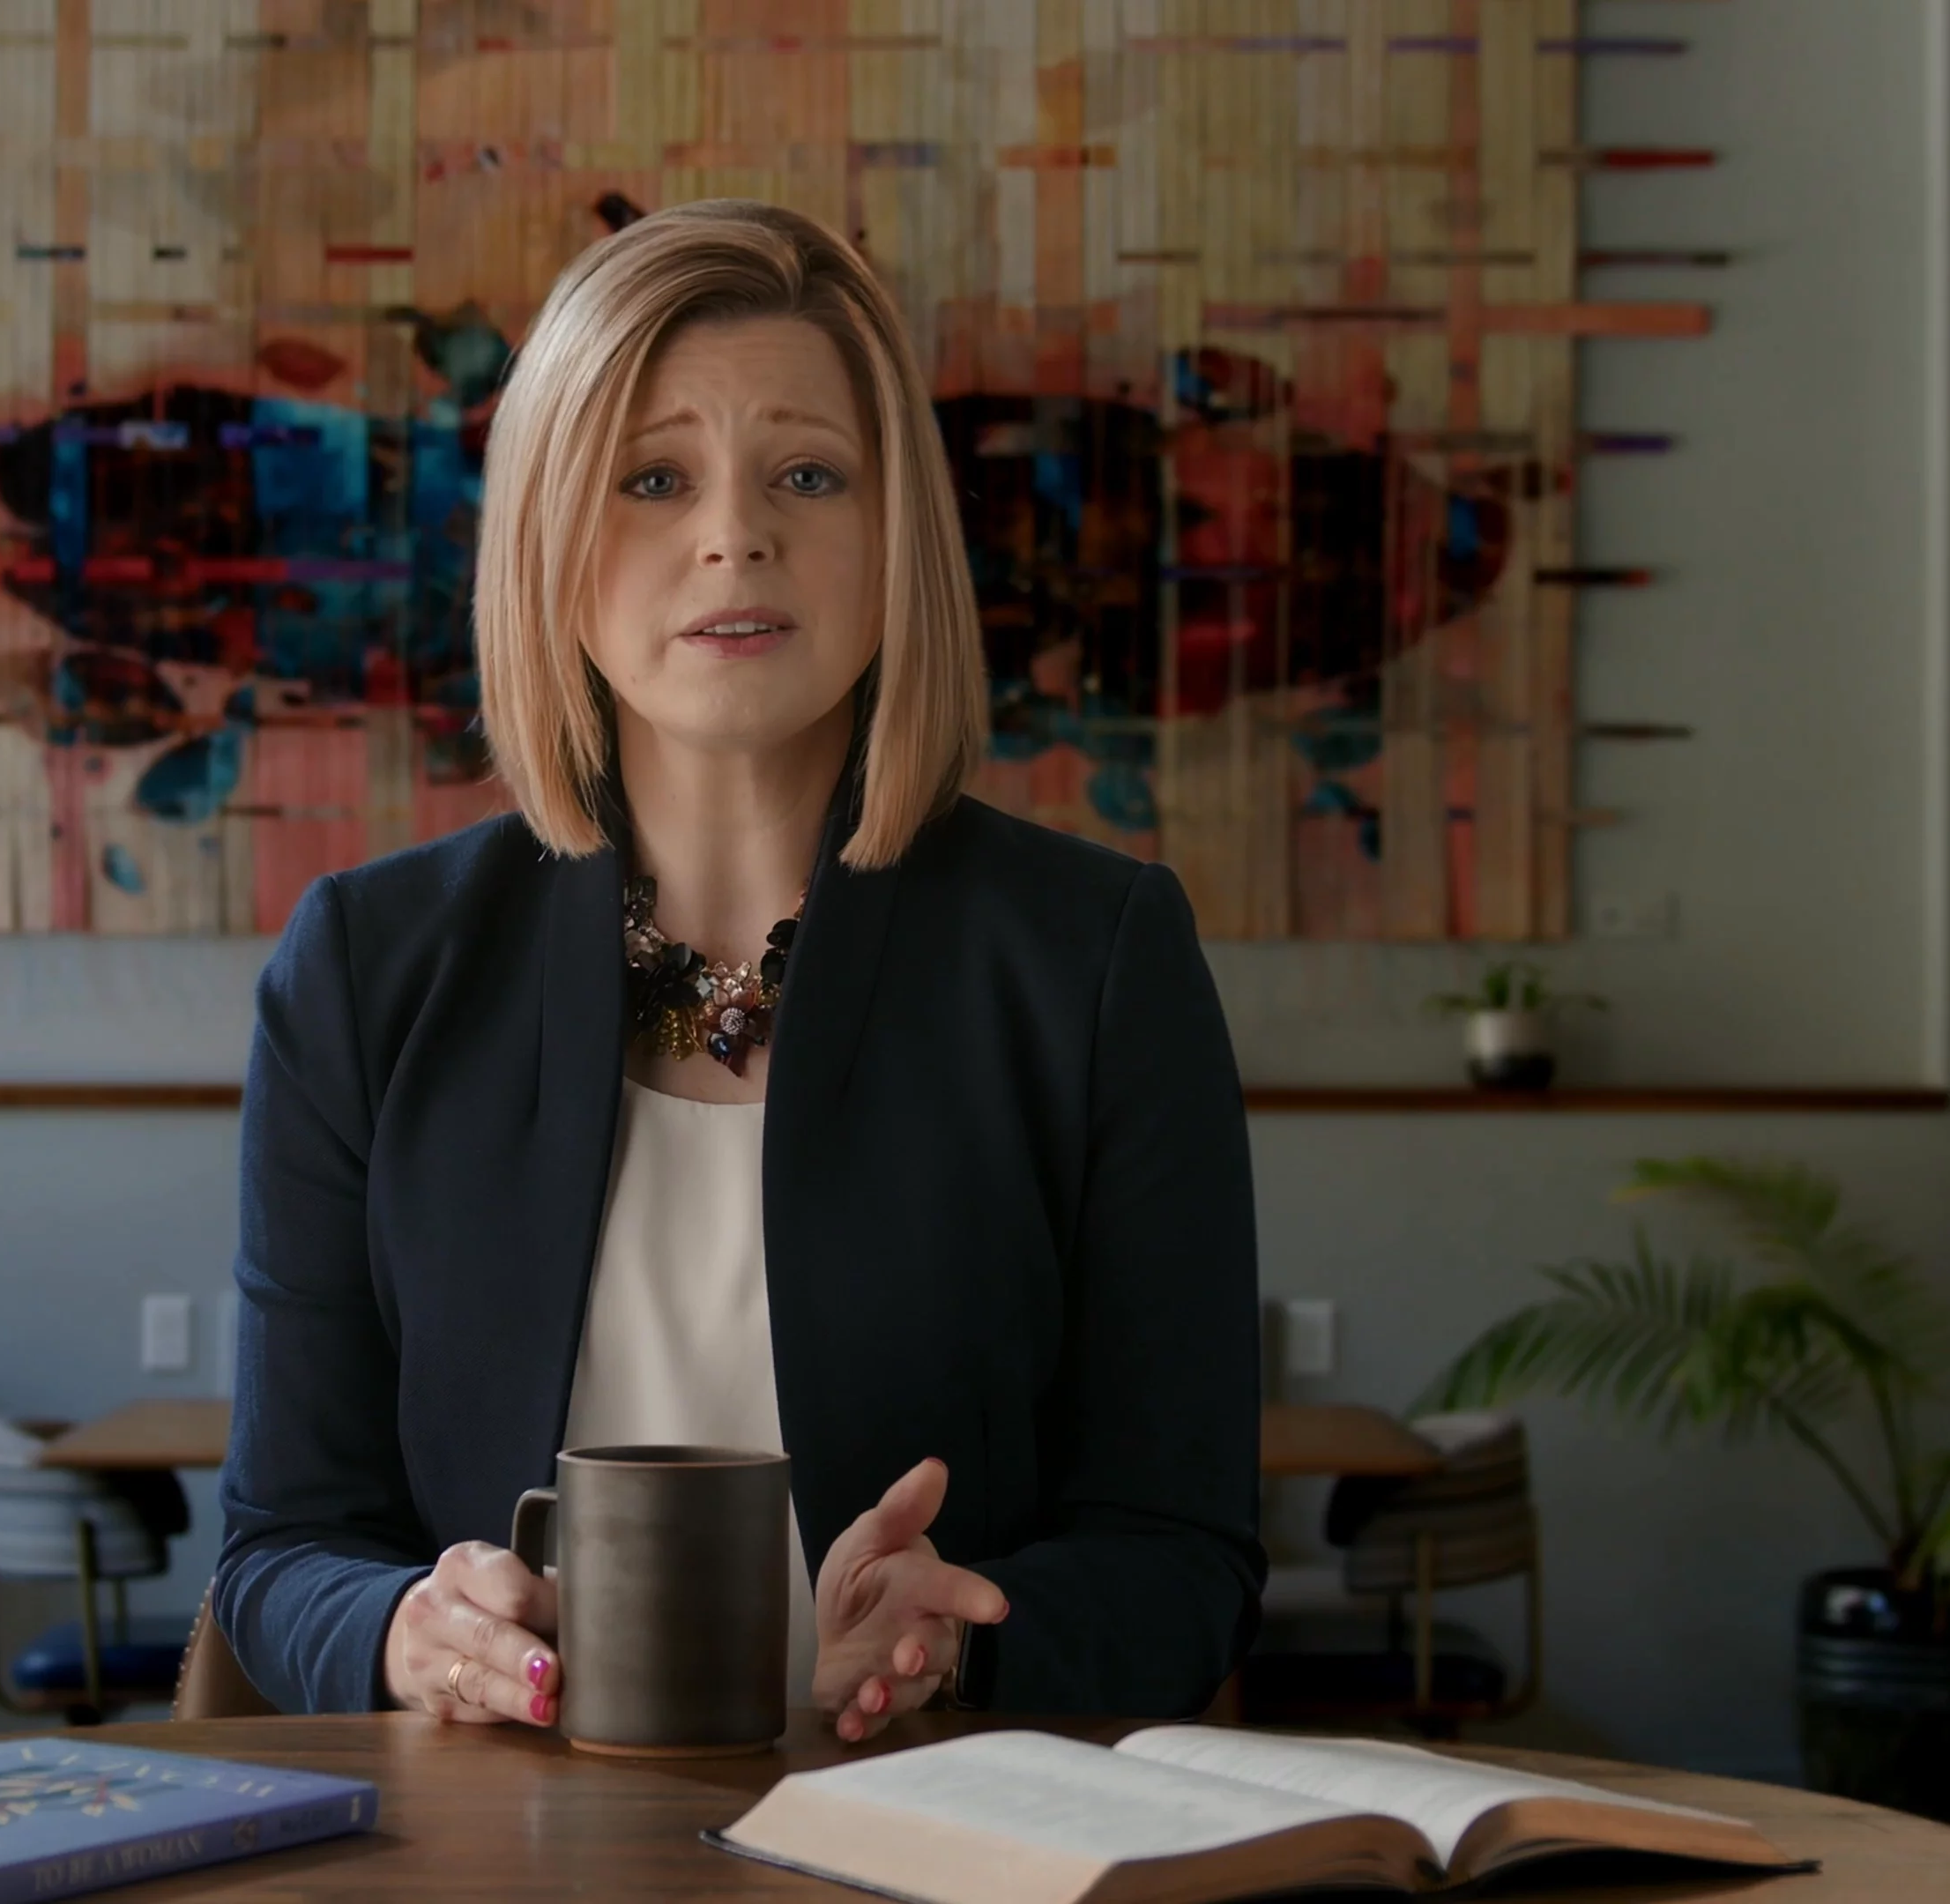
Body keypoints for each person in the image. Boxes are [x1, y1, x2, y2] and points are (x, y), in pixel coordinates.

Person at [214, 198, 1261, 1737]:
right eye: (654, 478)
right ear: (551, 538)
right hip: (495, 1840)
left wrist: (962, 1640)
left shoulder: (1096, 960)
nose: (734, 536)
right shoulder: (365, 969)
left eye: (808, 474)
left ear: (896, 536)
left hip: (933, 1826)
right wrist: (407, 1632)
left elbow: (1185, 1553)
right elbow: (279, 1551)